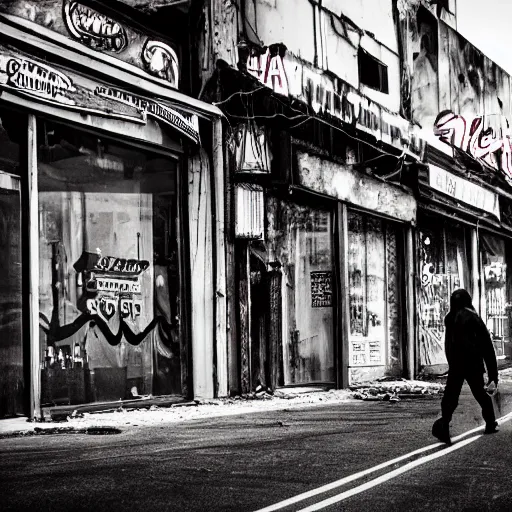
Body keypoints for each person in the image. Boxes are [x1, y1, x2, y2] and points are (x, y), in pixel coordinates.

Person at [432, 288, 499, 445]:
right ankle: (490, 423)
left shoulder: (450, 318)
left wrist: (452, 362)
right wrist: (493, 374)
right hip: (473, 362)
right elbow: (487, 346)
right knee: (480, 393)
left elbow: (448, 344)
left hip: (456, 363)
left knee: (451, 395)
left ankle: (444, 424)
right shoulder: (473, 317)